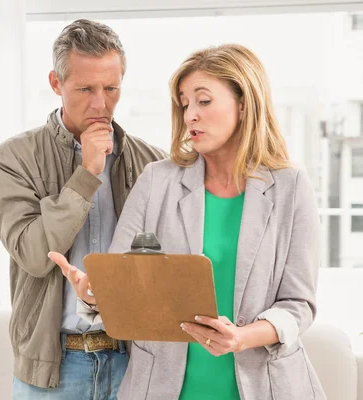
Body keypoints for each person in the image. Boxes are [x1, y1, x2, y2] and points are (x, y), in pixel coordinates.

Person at [49, 44, 327, 399]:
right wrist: (94, 291)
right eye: (184, 104)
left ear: (244, 103)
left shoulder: (290, 186)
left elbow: (299, 304)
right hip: (164, 385)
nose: (190, 115)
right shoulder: (157, 181)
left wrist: (242, 337)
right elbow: (121, 280)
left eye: (204, 101)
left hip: (265, 385)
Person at [0, 19, 167, 399]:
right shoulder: (12, 159)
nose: (101, 103)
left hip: (132, 364)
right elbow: (35, 255)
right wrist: (86, 173)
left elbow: (167, 268)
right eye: (85, 88)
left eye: (111, 88)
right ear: (56, 83)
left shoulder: (153, 163)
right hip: (53, 371)